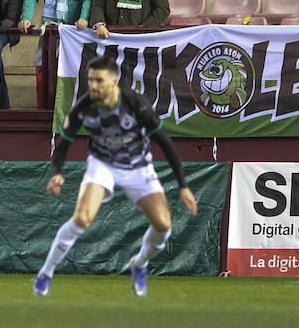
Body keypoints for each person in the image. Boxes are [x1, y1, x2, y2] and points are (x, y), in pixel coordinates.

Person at [34, 55, 198, 298]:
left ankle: (140, 263)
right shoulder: (84, 106)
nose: (93, 86)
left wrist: (183, 186)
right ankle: (45, 272)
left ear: (114, 81)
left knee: (163, 226)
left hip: (138, 166)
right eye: (90, 80)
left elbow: (165, 142)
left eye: (99, 81)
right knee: (82, 218)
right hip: (102, 164)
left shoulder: (134, 102)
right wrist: (56, 173)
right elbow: (63, 144)